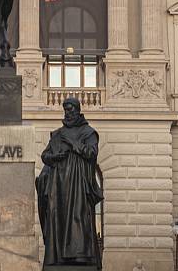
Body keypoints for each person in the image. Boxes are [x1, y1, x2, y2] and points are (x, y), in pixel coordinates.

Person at [36, 97, 103, 269]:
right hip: (59, 186)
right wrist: (54, 157)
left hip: (78, 185)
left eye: (71, 109)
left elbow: (91, 153)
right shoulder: (57, 134)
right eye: (66, 109)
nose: (68, 112)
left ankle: (79, 256)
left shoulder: (88, 132)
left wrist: (75, 145)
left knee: (78, 220)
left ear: (78, 110)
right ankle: (57, 256)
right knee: (58, 220)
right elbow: (45, 155)